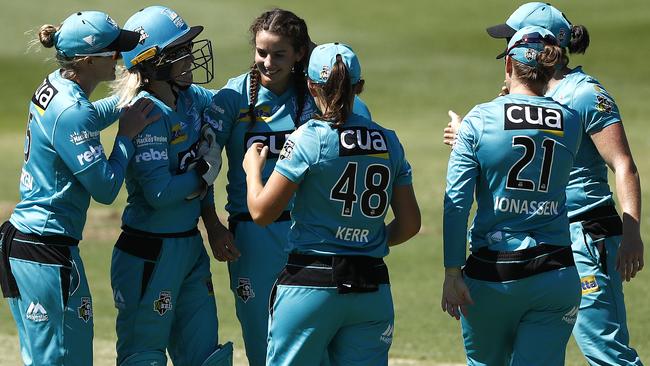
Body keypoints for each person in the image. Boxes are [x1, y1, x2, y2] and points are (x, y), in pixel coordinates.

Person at [445, 3, 644, 364]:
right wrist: (466, 141)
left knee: (604, 348)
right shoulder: (533, 99)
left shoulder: (583, 94)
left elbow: (623, 164)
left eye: (512, 37)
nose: (508, 46)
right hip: (548, 240)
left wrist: (631, 231)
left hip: (585, 233)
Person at [202, 9, 372, 365]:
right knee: (264, 347)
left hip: (312, 237)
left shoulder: (317, 96)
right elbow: (204, 170)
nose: (267, 62)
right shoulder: (232, 98)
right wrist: (215, 227)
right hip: (252, 238)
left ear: (299, 54)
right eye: (261, 52)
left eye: (279, 54)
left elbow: (359, 144)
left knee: (316, 347)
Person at [243, 42, 419, 366]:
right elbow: (410, 224)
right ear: (360, 87)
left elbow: (261, 212)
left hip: (310, 287)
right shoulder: (389, 141)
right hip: (372, 288)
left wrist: (252, 171)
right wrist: (367, 239)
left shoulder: (309, 138)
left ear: (310, 86)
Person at [0, 11, 154, 366]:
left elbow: (84, 114)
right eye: (113, 53)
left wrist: (123, 102)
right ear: (87, 61)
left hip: (29, 243)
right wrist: (126, 137)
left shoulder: (57, 83)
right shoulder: (71, 107)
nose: (120, 59)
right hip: (46, 252)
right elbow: (105, 186)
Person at [442, 27, 582, 365]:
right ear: (552, 71)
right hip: (555, 275)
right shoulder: (572, 121)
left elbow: (456, 203)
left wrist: (451, 272)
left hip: (493, 278)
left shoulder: (480, 120)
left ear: (508, 66)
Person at [108, 6, 232, 366]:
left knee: (205, 357)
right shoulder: (146, 113)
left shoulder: (189, 97)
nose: (191, 57)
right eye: (180, 51)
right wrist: (202, 173)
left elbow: (229, 99)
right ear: (153, 63)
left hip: (188, 246)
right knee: (144, 357)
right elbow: (160, 194)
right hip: (149, 252)